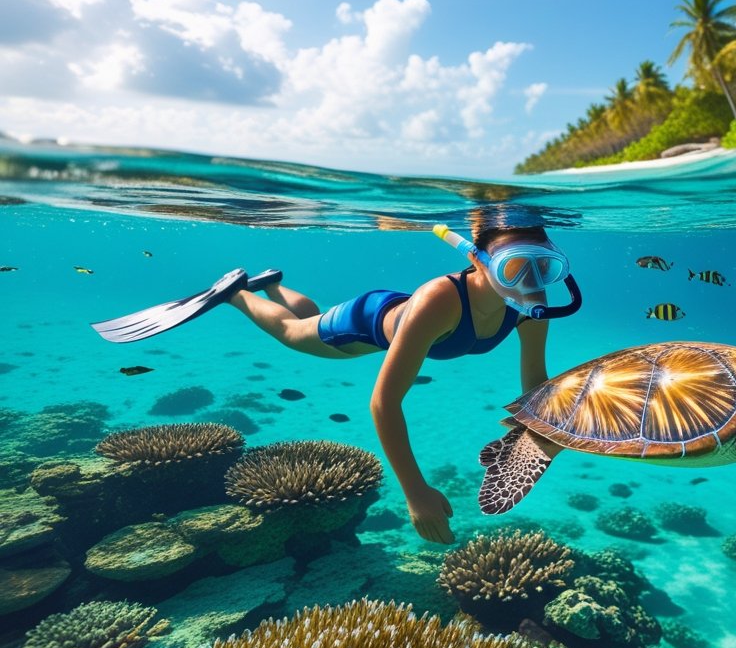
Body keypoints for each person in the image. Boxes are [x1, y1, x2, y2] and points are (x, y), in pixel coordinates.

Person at [90, 217, 581, 545]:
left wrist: (546, 432)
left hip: (400, 319)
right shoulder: (440, 301)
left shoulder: (531, 309)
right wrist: (414, 491)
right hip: (369, 322)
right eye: (516, 267)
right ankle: (237, 294)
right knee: (293, 334)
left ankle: (272, 284)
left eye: (545, 267)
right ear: (477, 259)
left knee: (312, 317)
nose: (532, 282)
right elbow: (384, 402)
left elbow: (534, 385)